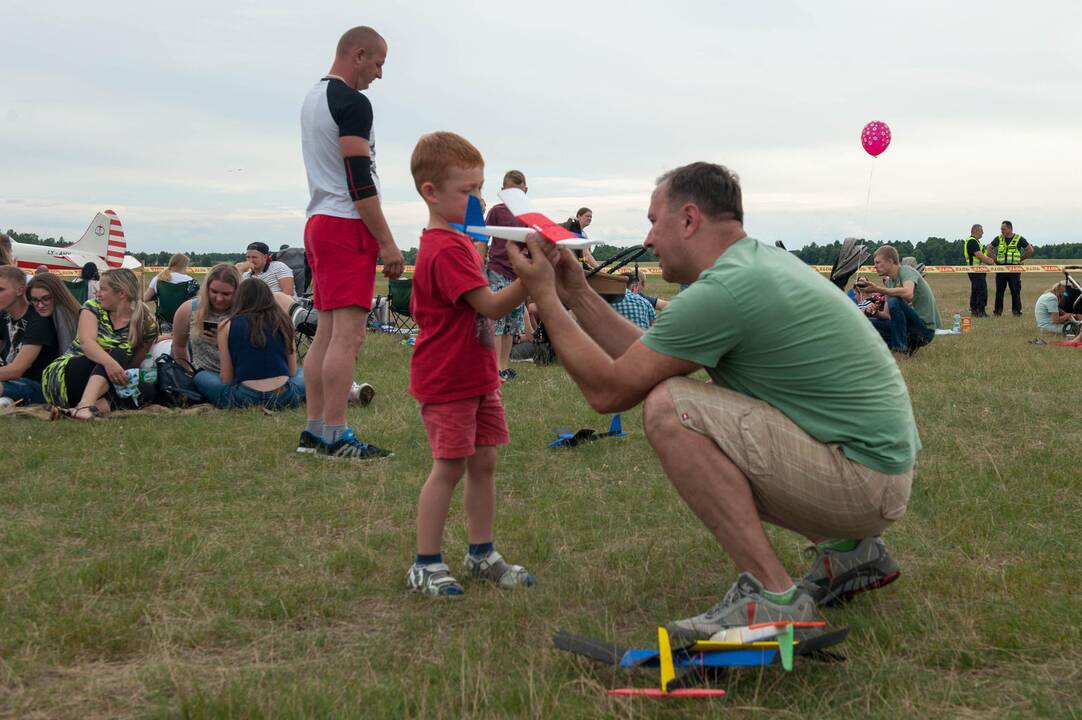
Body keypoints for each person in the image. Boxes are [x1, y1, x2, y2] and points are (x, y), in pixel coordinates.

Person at [507, 162, 918, 640]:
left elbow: (611, 391)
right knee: (668, 391)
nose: (648, 239)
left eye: (653, 221)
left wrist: (545, 298)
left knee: (669, 407)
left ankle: (773, 598)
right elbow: (641, 356)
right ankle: (850, 552)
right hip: (876, 474)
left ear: (687, 219)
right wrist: (575, 290)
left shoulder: (725, 288)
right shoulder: (750, 266)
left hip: (863, 483)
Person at [404, 131, 533, 597]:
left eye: (480, 187)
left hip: (476, 376)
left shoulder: (458, 242)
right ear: (430, 192)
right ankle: (426, 563)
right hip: (448, 379)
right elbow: (493, 308)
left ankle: (481, 552)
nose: (479, 199)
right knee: (450, 467)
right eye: (468, 190)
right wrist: (533, 279)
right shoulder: (445, 248)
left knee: (484, 463)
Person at [298, 25, 403, 460]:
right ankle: (336, 434)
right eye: (378, 63)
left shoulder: (312, 99)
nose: (379, 74)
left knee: (325, 332)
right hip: (346, 224)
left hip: (319, 221)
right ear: (357, 55)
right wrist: (388, 241)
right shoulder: (354, 103)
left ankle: (315, 430)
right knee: (348, 335)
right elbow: (359, 180)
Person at [41, 268, 158, 419]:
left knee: (147, 388)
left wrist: (134, 379)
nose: (98, 293)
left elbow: (133, 365)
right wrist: (111, 363)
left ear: (121, 293)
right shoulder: (92, 307)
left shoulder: (146, 325)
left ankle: (78, 411)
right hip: (65, 376)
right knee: (118, 353)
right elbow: (87, 344)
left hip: (107, 382)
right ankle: (85, 405)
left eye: (103, 289)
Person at [203, 278, 304, 409]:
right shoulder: (285, 321)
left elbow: (226, 379)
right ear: (269, 296)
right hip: (283, 395)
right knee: (304, 372)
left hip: (244, 396)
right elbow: (292, 371)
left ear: (239, 298)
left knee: (201, 376)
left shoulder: (226, 325)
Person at [481, 170, 530, 383]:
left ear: (526, 191)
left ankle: (505, 365)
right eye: (510, 191)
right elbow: (484, 236)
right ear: (502, 192)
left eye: (518, 192)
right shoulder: (496, 212)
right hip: (498, 270)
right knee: (497, 322)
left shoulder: (529, 215)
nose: (515, 196)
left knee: (513, 324)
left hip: (518, 274)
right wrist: (479, 262)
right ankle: (495, 368)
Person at [857, 246, 941, 354]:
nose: (875, 266)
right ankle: (903, 347)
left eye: (878, 262)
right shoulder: (890, 282)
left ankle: (900, 350)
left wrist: (878, 289)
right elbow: (887, 315)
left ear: (890, 261)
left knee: (894, 299)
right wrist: (874, 312)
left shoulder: (906, 271)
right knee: (865, 323)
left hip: (924, 331)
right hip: (907, 330)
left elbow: (908, 293)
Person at [0, 266, 60, 405]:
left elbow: (16, 370)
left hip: (37, 386)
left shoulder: (38, 321)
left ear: (20, 290)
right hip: (10, 381)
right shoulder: (3, 316)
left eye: (1, 289)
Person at [988, 220, 1033, 317]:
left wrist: (1020, 259)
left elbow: (1030, 250)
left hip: (1014, 269)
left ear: (1009, 228)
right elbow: (989, 248)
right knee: (999, 292)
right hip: (1001, 269)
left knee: (1015, 291)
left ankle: (1016, 312)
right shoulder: (998, 238)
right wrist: (995, 259)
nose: (1001, 231)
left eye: (1003, 229)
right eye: (1001, 229)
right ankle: (997, 312)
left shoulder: (1019, 238)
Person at [26, 273, 81, 352]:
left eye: (46, 298)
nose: (40, 305)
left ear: (58, 295)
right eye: (35, 300)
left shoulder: (63, 312)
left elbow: (66, 353)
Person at [963, 224, 993, 317]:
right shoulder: (972, 241)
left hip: (977, 270)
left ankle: (975, 310)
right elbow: (980, 255)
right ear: (976, 231)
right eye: (981, 231)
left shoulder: (975, 241)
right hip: (976, 270)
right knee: (981, 290)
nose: (983, 233)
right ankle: (980, 311)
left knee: (976, 290)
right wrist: (991, 261)